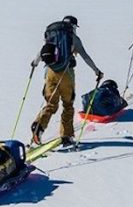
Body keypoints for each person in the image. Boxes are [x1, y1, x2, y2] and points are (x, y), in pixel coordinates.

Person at [31, 15, 103, 147]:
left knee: (51, 104)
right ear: (74, 26)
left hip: (50, 72)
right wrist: (96, 70)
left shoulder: (52, 36)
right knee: (68, 105)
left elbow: (42, 52)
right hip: (66, 74)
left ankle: (38, 126)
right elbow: (85, 56)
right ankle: (66, 136)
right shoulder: (73, 38)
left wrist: (34, 63)